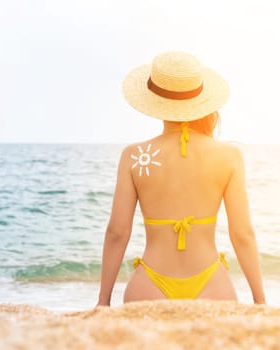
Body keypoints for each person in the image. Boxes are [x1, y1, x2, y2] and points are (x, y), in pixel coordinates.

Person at [97, 51, 265, 306]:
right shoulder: (229, 156)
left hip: (149, 284)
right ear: (202, 99)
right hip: (212, 283)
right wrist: (260, 301)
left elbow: (117, 232)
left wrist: (103, 301)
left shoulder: (134, 156)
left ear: (154, 100)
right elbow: (242, 234)